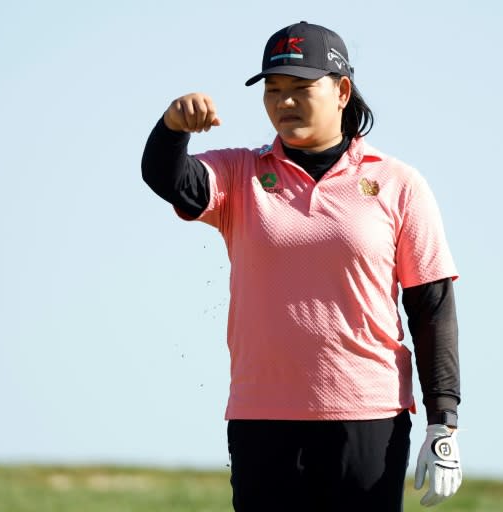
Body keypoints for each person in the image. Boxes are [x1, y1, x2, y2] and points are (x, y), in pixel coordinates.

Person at [141, 21, 462, 512]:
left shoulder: (398, 183)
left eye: (299, 88)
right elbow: (169, 178)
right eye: (273, 89)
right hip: (262, 414)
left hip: (367, 415)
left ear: (341, 91)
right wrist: (171, 128)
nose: (283, 102)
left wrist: (443, 422)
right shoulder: (239, 173)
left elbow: (432, 306)